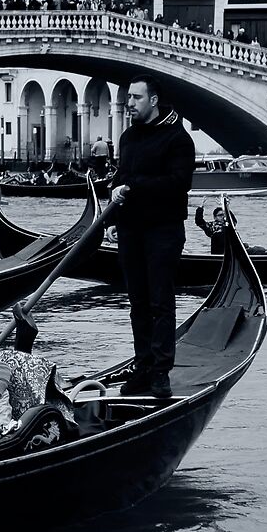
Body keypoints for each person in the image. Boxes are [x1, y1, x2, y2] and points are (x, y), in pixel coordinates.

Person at [110, 78, 196, 398]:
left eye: (136, 97)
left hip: (164, 229)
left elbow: (178, 183)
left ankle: (161, 371)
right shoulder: (128, 137)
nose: (129, 103)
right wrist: (116, 218)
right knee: (138, 303)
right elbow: (120, 177)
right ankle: (143, 366)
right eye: (128, 97)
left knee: (160, 301)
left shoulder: (177, 138)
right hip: (131, 229)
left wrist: (132, 185)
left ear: (153, 100)